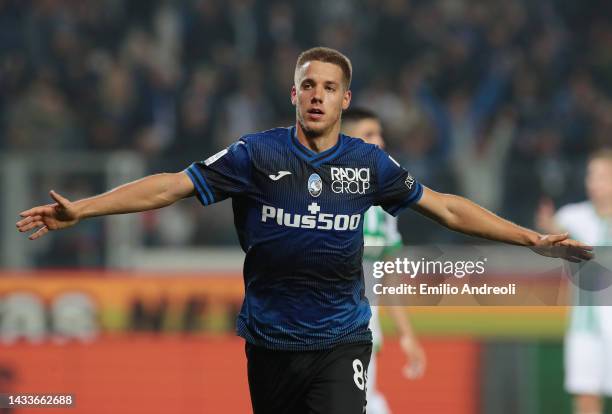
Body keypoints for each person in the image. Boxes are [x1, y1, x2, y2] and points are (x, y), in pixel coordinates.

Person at [17, 46, 591, 414]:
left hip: (341, 341)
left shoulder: (368, 164)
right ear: (295, 94)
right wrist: (83, 209)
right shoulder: (253, 153)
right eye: (308, 85)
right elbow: (170, 185)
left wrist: (531, 239)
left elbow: (446, 208)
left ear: (345, 99)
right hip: (269, 344)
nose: (317, 95)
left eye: (329, 87)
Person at [342, 108, 425, 414]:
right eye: (368, 134)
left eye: (380, 134)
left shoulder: (386, 200)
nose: (379, 141)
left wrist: (407, 335)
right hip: (315, 327)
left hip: (361, 329)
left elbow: (389, 277)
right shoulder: (315, 190)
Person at [536, 149, 612, 414]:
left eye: (602, 175)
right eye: (591, 175)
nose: (594, 182)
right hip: (583, 324)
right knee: (585, 397)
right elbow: (551, 233)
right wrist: (546, 226)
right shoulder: (573, 216)